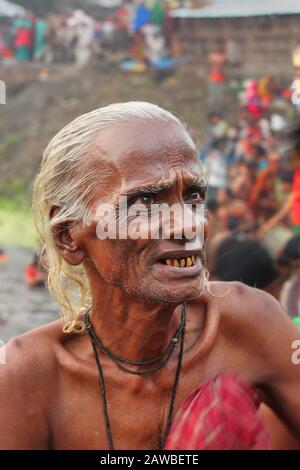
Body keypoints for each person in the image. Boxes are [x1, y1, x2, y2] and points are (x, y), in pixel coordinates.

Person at [0, 102, 300, 450]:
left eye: (193, 196)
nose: (190, 224)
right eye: (144, 201)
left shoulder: (252, 323)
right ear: (69, 235)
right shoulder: (25, 377)